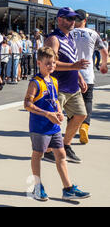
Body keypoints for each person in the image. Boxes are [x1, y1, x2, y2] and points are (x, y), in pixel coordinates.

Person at [24, 46, 91, 202]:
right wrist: (47, 114)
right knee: (38, 155)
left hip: (54, 126)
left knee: (61, 155)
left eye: (53, 63)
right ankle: (38, 186)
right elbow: (27, 104)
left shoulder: (54, 80)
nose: (51, 66)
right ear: (39, 63)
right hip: (40, 127)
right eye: (48, 63)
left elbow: (54, 100)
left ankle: (68, 189)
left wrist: (60, 111)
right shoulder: (35, 82)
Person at [44, 7, 89, 164]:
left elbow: (71, 59)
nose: (72, 22)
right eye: (69, 19)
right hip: (57, 88)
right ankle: (48, 151)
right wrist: (73, 67)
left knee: (81, 115)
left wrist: (80, 77)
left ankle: (66, 145)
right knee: (55, 119)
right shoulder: (54, 39)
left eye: (74, 19)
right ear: (60, 20)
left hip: (73, 87)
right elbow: (51, 63)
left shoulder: (69, 38)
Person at [71, 9, 108, 145]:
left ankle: (73, 126)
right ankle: (85, 126)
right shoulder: (93, 34)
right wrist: (104, 65)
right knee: (87, 100)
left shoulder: (68, 33)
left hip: (70, 73)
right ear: (85, 20)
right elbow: (103, 51)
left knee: (71, 102)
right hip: (87, 73)